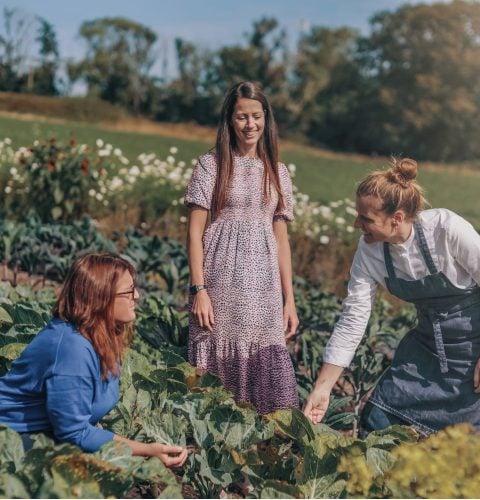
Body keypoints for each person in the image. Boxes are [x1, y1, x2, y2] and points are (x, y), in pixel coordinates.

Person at [303, 158, 480, 435]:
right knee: (378, 421)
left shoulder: (446, 229)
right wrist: (322, 388)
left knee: (473, 447)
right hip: (427, 350)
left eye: (366, 218)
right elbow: (353, 319)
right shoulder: (370, 251)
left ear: (396, 219)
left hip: (479, 353)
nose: (356, 223)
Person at [0, 253, 188, 467]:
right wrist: (145, 450)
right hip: (13, 439)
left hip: (49, 434)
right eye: (128, 291)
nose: (136, 296)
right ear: (100, 297)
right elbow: (74, 433)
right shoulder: (72, 350)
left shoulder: (101, 336)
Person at [185, 81, 299, 414]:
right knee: (215, 376)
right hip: (219, 283)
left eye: (256, 116)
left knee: (268, 368)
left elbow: (282, 241)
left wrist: (289, 300)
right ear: (229, 121)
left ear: (266, 118)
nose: (250, 125)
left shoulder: (278, 172)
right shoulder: (211, 165)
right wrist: (199, 290)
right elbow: (194, 234)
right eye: (241, 117)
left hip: (264, 290)